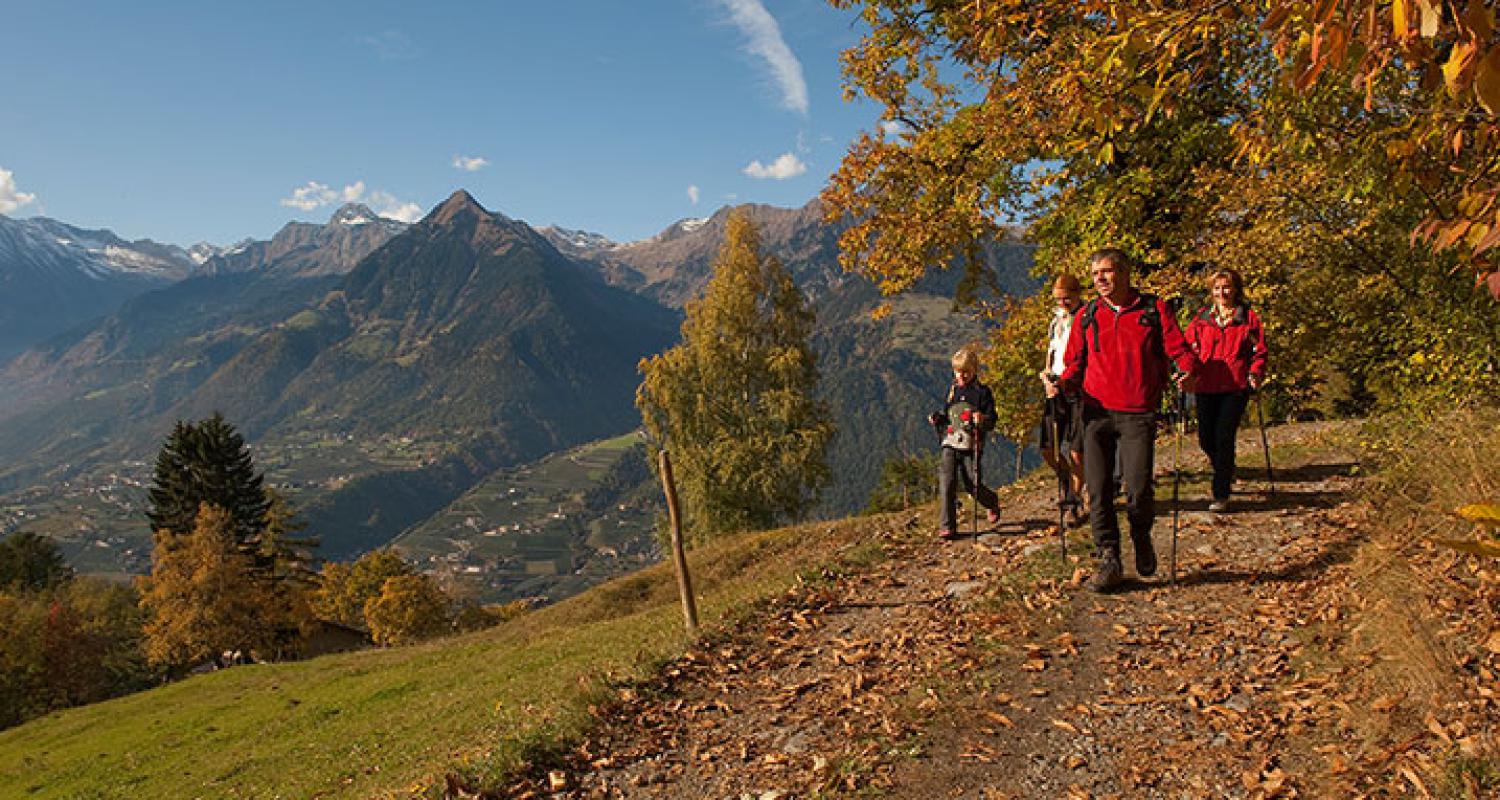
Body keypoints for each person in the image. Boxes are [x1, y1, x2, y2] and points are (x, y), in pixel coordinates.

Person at [1061, 249, 1201, 592]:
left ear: (1124, 274)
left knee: (1137, 489)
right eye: (1095, 274)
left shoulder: (1153, 310)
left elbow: (1179, 349)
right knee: (1098, 489)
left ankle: (1141, 534)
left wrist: (1189, 371)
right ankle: (1108, 558)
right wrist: (1061, 383)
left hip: (1138, 411)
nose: (1100, 280)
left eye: (1106, 272)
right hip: (1095, 413)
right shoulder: (1087, 315)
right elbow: (1073, 362)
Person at [1185, 268, 1268, 513]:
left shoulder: (1248, 318)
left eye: (1227, 287)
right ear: (1211, 292)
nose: (1222, 292)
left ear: (1236, 289)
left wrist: (1255, 372)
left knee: (1224, 436)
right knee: (1205, 438)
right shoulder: (1201, 319)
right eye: (1217, 288)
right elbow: (1187, 349)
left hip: (1235, 386)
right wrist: (1186, 370)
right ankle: (1224, 466)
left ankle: (1221, 493)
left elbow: (1260, 351)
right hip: (1205, 384)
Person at [928, 347, 1002, 539]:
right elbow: (950, 417)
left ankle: (991, 501)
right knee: (947, 481)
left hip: (971, 444)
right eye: (957, 371)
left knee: (973, 484)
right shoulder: (954, 390)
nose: (961, 375)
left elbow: (992, 419)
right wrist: (938, 419)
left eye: (965, 372)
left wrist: (982, 419)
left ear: (974, 371)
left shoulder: (982, 393)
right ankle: (947, 526)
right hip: (950, 441)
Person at [1040, 275, 1087, 526]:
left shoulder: (1087, 318)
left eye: (1066, 297)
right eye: (1058, 299)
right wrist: (1046, 378)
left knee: (1077, 450)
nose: (1063, 302)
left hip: (1079, 389)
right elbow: (1051, 354)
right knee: (1048, 448)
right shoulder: (1056, 320)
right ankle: (1067, 482)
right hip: (1055, 388)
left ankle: (1075, 500)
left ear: (1077, 293)